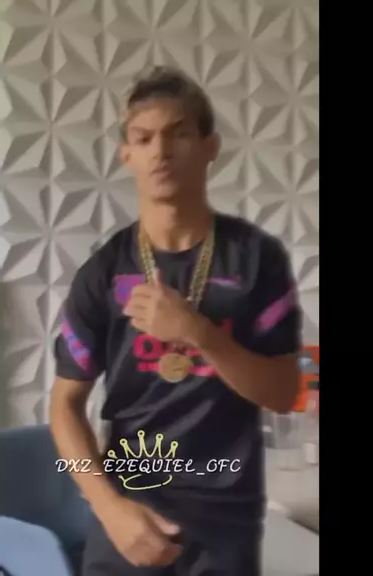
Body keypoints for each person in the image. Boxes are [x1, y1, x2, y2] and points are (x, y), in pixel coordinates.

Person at [49, 65, 302, 576]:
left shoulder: (256, 259)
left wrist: (198, 333)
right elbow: (64, 406)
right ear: (127, 155)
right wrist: (107, 507)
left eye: (178, 134)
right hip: (129, 518)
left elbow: (283, 393)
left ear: (211, 146)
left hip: (225, 525)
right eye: (144, 138)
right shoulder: (103, 273)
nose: (160, 151)